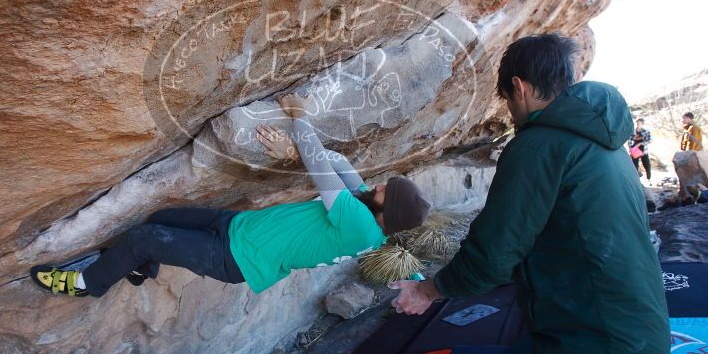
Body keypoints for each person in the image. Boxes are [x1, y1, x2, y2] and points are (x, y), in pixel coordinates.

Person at [389, 34, 670, 354]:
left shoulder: (539, 145)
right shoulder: (603, 142)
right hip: (633, 338)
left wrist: (427, 291)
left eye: (507, 99)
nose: (511, 111)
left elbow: (493, 254)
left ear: (519, 87)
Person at [31, 93, 431, 297]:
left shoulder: (359, 225)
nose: (380, 184)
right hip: (237, 228)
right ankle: (136, 267)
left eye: (386, 191)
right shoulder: (364, 205)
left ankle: (87, 285)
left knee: (143, 237)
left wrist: (299, 119)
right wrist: (294, 150)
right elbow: (340, 164)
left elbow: (324, 172)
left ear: (386, 212)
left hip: (236, 259)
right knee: (159, 220)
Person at [628, 118, 652, 185]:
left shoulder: (646, 131)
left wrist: (641, 143)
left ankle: (649, 179)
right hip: (635, 151)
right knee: (634, 166)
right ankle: (636, 180)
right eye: (637, 123)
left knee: (647, 165)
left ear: (642, 124)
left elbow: (650, 140)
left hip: (644, 151)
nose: (638, 125)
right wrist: (630, 148)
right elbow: (629, 140)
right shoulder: (633, 131)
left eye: (639, 123)